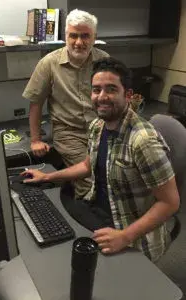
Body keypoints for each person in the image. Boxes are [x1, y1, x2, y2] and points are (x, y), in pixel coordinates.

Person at [21, 57, 180, 262]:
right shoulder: (98, 125)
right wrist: (47, 176)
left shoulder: (143, 142)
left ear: (128, 95)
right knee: (51, 232)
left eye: (111, 89)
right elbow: (88, 165)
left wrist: (125, 236)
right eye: (97, 90)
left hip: (129, 229)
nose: (102, 96)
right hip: (100, 209)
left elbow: (170, 203)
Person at [22, 9, 109, 199]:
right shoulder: (49, 64)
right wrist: (36, 140)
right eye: (73, 36)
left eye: (85, 36)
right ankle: (92, 219)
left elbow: (115, 97)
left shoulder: (104, 61)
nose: (79, 42)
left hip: (103, 129)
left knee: (118, 174)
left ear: (94, 37)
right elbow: (36, 103)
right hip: (69, 133)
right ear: (65, 36)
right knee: (90, 179)